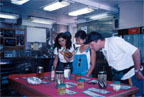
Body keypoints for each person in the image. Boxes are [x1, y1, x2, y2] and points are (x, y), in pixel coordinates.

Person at [85, 31, 144, 96]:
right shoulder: (103, 48)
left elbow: (136, 51)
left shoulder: (114, 41)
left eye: (91, 44)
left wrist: (137, 71)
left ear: (98, 41)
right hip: (120, 78)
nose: (90, 47)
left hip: (132, 75)